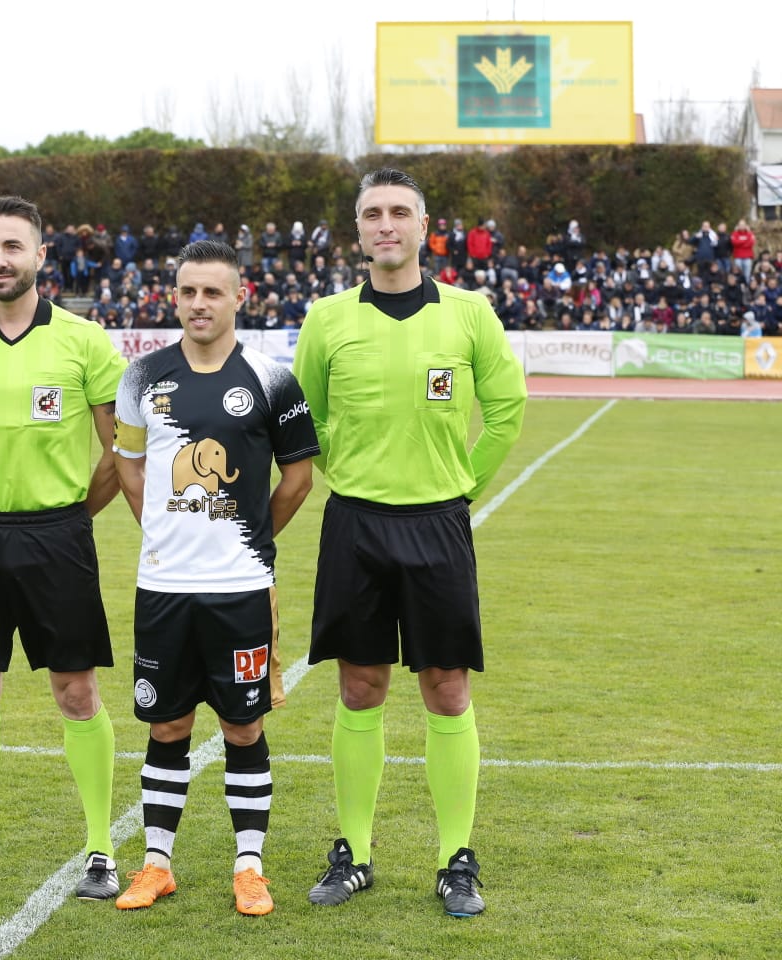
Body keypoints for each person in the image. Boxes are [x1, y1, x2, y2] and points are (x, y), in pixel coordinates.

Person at [292, 168, 526, 918]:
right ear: (357, 231)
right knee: (360, 687)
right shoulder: (326, 319)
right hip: (355, 523)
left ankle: (455, 857)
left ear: (424, 228)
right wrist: (350, 474)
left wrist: (461, 487)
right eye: (371, 214)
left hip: (438, 522)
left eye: (399, 212)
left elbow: (507, 408)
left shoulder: (469, 313)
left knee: (446, 688)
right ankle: (354, 853)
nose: (385, 224)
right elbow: (306, 419)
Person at [0, 195, 127, 900]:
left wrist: (71, 511)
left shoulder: (84, 340)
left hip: (58, 536)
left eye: (13, 246)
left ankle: (101, 846)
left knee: (75, 690)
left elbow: (119, 446)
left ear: (42, 256)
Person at [111, 240, 318, 916]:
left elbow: (297, 477)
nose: (199, 304)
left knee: (243, 727)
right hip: (163, 589)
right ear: (174, 297)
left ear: (239, 296)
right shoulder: (142, 377)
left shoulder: (272, 378)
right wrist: (163, 532)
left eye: (213, 292)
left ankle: (249, 868)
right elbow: (130, 466)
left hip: (240, 589)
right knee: (166, 725)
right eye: (188, 292)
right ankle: (156, 865)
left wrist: (252, 538)